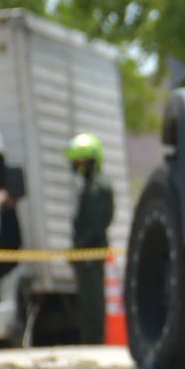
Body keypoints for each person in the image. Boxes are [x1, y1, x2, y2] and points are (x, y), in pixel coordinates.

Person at [66, 133, 114, 345]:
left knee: (93, 300)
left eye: (80, 161)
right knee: (86, 301)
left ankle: (95, 340)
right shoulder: (88, 185)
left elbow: (95, 222)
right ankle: (90, 340)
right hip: (85, 253)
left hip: (91, 253)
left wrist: (81, 248)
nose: (77, 166)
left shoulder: (98, 186)